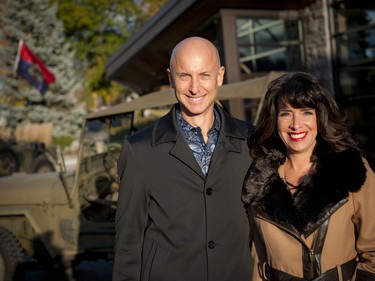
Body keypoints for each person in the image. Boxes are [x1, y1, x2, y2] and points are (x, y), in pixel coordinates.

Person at [113, 36, 253, 281]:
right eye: (184, 76)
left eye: (204, 75)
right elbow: (128, 243)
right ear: (170, 78)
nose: (195, 88)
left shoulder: (252, 141)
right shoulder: (139, 150)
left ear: (220, 76)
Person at [242, 71, 375, 281]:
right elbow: (257, 259)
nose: (296, 124)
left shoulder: (350, 169)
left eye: (306, 112)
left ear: (320, 117)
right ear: (275, 120)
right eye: (286, 113)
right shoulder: (258, 180)